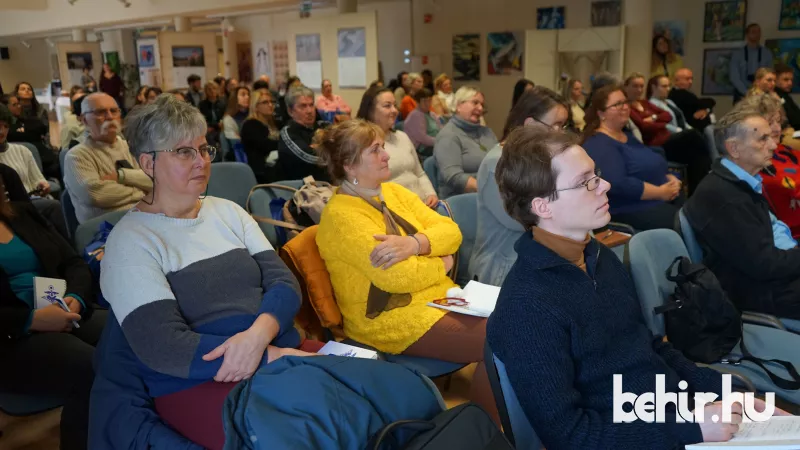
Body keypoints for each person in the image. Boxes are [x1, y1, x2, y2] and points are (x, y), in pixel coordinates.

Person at [486, 125, 758, 450]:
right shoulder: (527, 304)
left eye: (596, 174)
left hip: (671, 417)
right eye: (586, 182)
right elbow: (570, 435)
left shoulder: (598, 256)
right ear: (543, 206)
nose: (605, 185)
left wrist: (725, 390)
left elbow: (649, 348)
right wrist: (692, 428)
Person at [94, 94, 319, 450]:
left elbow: (284, 283)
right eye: (184, 152)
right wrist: (268, 355)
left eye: (203, 149)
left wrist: (260, 337)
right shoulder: (130, 242)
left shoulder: (227, 211)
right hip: (196, 381)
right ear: (147, 163)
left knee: (376, 389)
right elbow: (165, 347)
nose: (200, 161)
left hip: (275, 350)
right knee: (306, 435)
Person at [314, 119, 497, 422]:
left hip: (435, 299)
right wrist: (442, 262)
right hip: (388, 319)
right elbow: (397, 278)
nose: (386, 155)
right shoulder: (342, 217)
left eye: (383, 147)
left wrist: (416, 244)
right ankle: (485, 431)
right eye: (375, 150)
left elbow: (451, 231)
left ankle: (493, 425)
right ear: (349, 165)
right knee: (502, 339)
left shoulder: (393, 192)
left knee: (514, 327)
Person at [0, 165, 106, 450]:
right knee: (92, 367)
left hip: (64, 309)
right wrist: (30, 320)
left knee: (130, 335)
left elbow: (73, 263)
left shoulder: (22, 213)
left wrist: (76, 297)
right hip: (13, 336)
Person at [684, 104, 800, 318]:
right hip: (752, 293)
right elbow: (765, 265)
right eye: (762, 139)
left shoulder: (740, 184)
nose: (774, 145)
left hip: (764, 281)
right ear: (734, 149)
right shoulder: (723, 196)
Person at [471, 87, 568, 287]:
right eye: (555, 125)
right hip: (503, 263)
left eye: (563, 126)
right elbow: (520, 222)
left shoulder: (538, 158)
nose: (560, 134)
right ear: (530, 124)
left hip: (536, 253)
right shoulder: (496, 164)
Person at [582, 84, 683, 231]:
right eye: (617, 104)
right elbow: (619, 183)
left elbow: (652, 162)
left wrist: (671, 177)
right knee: (686, 225)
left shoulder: (627, 136)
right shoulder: (599, 143)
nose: (624, 107)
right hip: (631, 207)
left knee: (698, 216)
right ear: (601, 113)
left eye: (625, 102)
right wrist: (660, 192)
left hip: (661, 197)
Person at [63, 93, 152, 223]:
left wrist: (122, 176)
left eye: (114, 111)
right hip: (105, 231)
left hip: (144, 220)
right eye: (100, 112)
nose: (110, 117)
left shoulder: (132, 147)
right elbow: (95, 195)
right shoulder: (76, 156)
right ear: (84, 120)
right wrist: (141, 190)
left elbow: (156, 180)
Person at [626, 73, 711, 194]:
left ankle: (699, 193)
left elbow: (667, 115)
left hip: (669, 140)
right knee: (693, 136)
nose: (639, 90)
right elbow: (644, 127)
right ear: (626, 87)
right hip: (658, 144)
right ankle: (712, 170)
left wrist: (654, 117)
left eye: (641, 86)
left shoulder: (644, 103)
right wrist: (658, 122)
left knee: (698, 156)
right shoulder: (628, 107)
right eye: (635, 86)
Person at [356, 87, 437, 205]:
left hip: (422, 204)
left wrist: (431, 194)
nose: (394, 110)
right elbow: (363, 187)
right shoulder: (363, 143)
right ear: (370, 110)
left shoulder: (402, 136)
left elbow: (419, 173)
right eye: (387, 106)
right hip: (394, 209)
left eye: (395, 105)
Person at [0, 104, 66, 237]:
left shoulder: (22, 150)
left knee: (53, 206)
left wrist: (43, 185)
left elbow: (38, 179)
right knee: (53, 207)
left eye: (5, 126)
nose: (1, 131)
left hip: (30, 202)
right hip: (8, 207)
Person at [741, 94, 800, 237]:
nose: (777, 128)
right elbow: (787, 189)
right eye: (769, 122)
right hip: (790, 237)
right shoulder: (753, 163)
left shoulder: (785, 151)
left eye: (778, 122)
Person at [433, 86, 497, 198]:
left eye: (482, 104)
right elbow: (454, 177)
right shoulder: (448, 136)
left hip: (492, 193)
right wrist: (489, 190)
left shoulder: (487, 132)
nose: (480, 108)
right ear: (458, 105)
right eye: (475, 103)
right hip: (462, 200)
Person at [1, 93, 60, 180]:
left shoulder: (27, 120)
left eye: (19, 103)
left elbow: (40, 127)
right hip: (33, 162)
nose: (19, 106)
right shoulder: (9, 127)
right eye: (15, 104)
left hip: (47, 157)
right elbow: (15, 134)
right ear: (5, 107)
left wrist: (24, 131)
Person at [277, 85, 330, 181]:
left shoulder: (324, 125)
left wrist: (320, 148)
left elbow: (346, 146)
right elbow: (310, 157)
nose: (309, 111)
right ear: (290, 111)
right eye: (303, 106)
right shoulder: (288, 133)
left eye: (311, 105)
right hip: (302, 189)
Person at [240, 89, 280, 183]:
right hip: (261, 171)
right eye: (265, 102)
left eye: (271, 102)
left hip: (274, 165)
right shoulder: (250, 125)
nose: (270, 105)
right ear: (256, 106)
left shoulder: (274, 123)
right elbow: (266, 145)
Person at [730, 23, 774, 103]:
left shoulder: (767, 53)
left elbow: (770, 74)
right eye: (753, 32)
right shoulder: (738, 54)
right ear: (747, 35)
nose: (757, 35)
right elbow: (734, 77)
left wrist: (760, 91)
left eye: (758, 32)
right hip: (741, 94)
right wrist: (747, 93)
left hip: (762, 94)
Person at [403, 88, 443, 157]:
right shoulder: (415, 115)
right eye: (424, 101)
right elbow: (423, 138)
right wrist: (440, 141)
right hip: (422, 149)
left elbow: (441, 129)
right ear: (417, 102)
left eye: (429, 100)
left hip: (434, 144)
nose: (427, 103)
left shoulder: (431, 114)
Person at [198, 81, 226, 148]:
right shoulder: (202, 104)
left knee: (222, 137)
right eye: (209, 89)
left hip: (221, 128)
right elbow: (201, 119)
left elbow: (225, 117)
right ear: (206, 91)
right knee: (208, 137)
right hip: (208, 129)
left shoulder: (223, 103)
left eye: (214, 88)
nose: (212, 91)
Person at [775, 63, 800, 130]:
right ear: (775, 80)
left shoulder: (785, 95)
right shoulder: (775, 96)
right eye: (786, 80)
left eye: (791, 80)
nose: (790, 83)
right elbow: (793, 120)